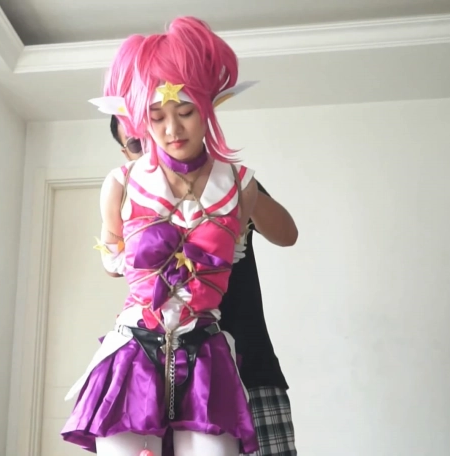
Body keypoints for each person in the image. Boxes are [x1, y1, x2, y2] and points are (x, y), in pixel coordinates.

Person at [62, 16, 263, 456]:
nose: (172, 130)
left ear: (208, 108)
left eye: (185, 112)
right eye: (156, 118)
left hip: (205, 352)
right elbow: (112, 263)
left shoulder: (240, 184)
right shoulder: (121, 182)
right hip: (134, 351)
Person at [111, 116, 300, 456]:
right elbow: (115, 266)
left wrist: (230, 182)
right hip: (155, 380)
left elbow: (287, 235)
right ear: (126, 153)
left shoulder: (226, 182)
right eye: (139, 143)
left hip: (248, 367)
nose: (159, 141)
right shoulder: (129, 195)